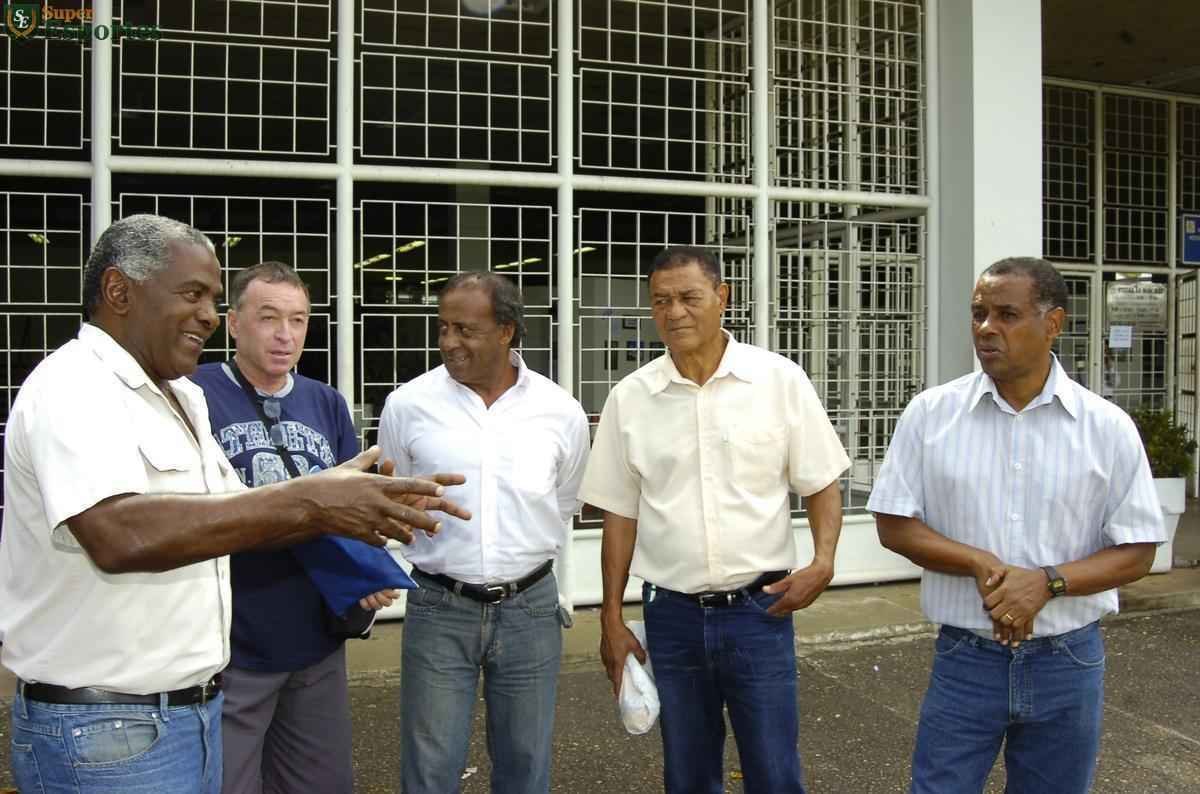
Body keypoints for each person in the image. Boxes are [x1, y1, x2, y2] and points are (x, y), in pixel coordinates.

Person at [0, 214, 467, 794]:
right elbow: (117, 534)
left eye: (214, 299)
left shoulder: (182, 398)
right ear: (119, 291)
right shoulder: (74, 386)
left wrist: (342, 498)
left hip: (186, 712)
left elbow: (237, 515)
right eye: (192, 294)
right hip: (105, 729)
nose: (208, 316)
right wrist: (313, 502)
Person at [868, 256, 1164, 794]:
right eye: (978, 313)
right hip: (966, 656)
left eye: (1006, 314)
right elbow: (894, 523)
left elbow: (1137, 551)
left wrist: (1046, 582)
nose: (986, 329)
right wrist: (980, 562)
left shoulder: (1107, 428)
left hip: (1067, 660)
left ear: (1053, 323)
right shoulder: (931, 415)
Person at [580, 246, 850, 794]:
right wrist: (610, 615)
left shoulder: (778, 381)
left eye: (688, 297)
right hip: (672, 618)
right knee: (688, 772)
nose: (674, 312)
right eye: (661, 301)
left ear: (722, 298)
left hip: (760, 610)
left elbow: (822, 481)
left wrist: (823, 562)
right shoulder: (631, 399)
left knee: (774, 770)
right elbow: (620, 515)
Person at [378, 271, 590, 794]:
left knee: (525, 763)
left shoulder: (559, 412)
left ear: (507, 331)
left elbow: (563, 502)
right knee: (429, 768)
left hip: (530, 609)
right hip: (438, 605)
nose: (450, 342)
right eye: (443, 327)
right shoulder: (408, 406)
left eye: (465, 330)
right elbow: (388, 499)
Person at [192, 261, 395, 794]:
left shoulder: (324, 401)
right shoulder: (195, 395)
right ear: (233, 323)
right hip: (233, 649)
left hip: (316, 646)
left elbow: (353, 509)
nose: (285, 334)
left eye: (299, 320)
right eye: (268, 318)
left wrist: (369, 568)